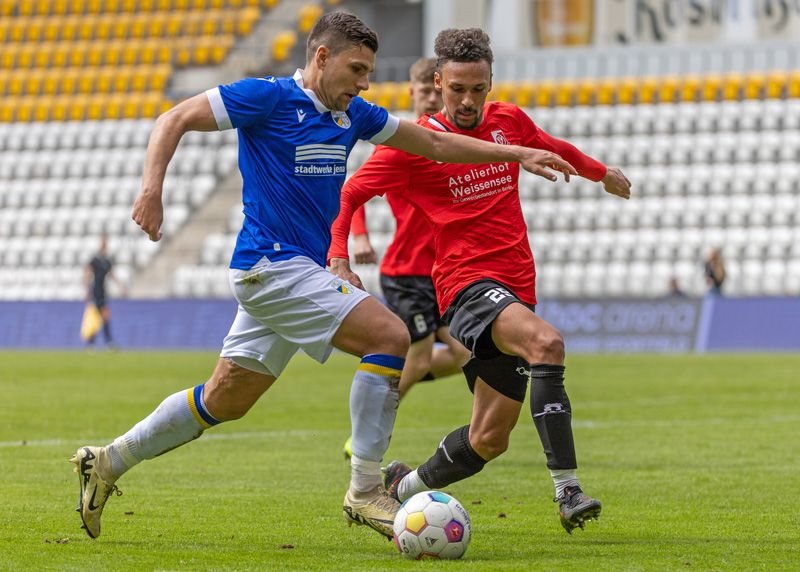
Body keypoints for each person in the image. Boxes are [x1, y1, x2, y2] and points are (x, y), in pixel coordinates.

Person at [69, 12, 579, 541]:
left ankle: (107, 462)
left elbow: (439, 146)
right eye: (356, 69)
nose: (364, 83)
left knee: (225, 399)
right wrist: (152, 189)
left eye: (369, 72)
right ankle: (364, 491)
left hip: (294, 273)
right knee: (390, 335)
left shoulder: (353, 114)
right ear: (321, 57)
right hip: (270, 265)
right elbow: (171, 119)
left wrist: (516, 151)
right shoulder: (265, 98)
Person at [328, 28, 631, 534]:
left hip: (516, 286)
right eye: (457, 89)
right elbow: (348, 194)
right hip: (465, 285)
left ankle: (399, 487)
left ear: (490, 83)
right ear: (439, 81)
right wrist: (340, 252)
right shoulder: (415, 143)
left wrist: (601, 173)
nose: (468, 101)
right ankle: (568, 489)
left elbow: (552, 147)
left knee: (489, 438)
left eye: (478, 89)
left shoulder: (508, 121)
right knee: (547, 343)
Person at [342, 57, 470, 459]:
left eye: (438, 91)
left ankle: (389, 391)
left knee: (468, 353)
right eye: (426, 91)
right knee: (418, 348)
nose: (433, 98)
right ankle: (373, 425)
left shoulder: (455, 141)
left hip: (444, 270)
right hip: (405, 271)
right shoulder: (400, 140)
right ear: (413, 92)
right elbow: (355, 191)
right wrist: (358, 237)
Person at [83, 236, 126, 348]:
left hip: (102, 292)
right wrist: (87, 289)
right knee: (95, 318)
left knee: (105, 317)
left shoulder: (107, 261)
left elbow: (112, 275)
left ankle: (106, 341)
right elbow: (88, 273)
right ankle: (92, 343)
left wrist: (120, 286)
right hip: (95, 292)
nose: (104, 246)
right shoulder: (95, 260)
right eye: (103, 243)